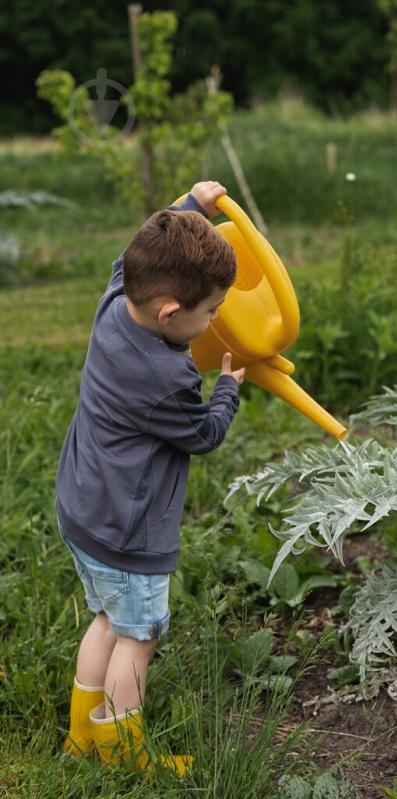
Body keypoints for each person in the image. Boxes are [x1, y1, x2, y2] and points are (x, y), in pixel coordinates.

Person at [55, 181, 244, 772]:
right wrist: (229, 391)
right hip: (128, 531)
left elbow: (131, 253)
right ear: (170, 312)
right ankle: (123, 757)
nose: (213, 318)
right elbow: (203, 435)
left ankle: (83, 735)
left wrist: (189, 205)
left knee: (107, 619)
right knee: (137, 639)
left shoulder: (118, 297)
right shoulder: (165, 379)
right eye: (210, 311)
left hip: (84, 508)